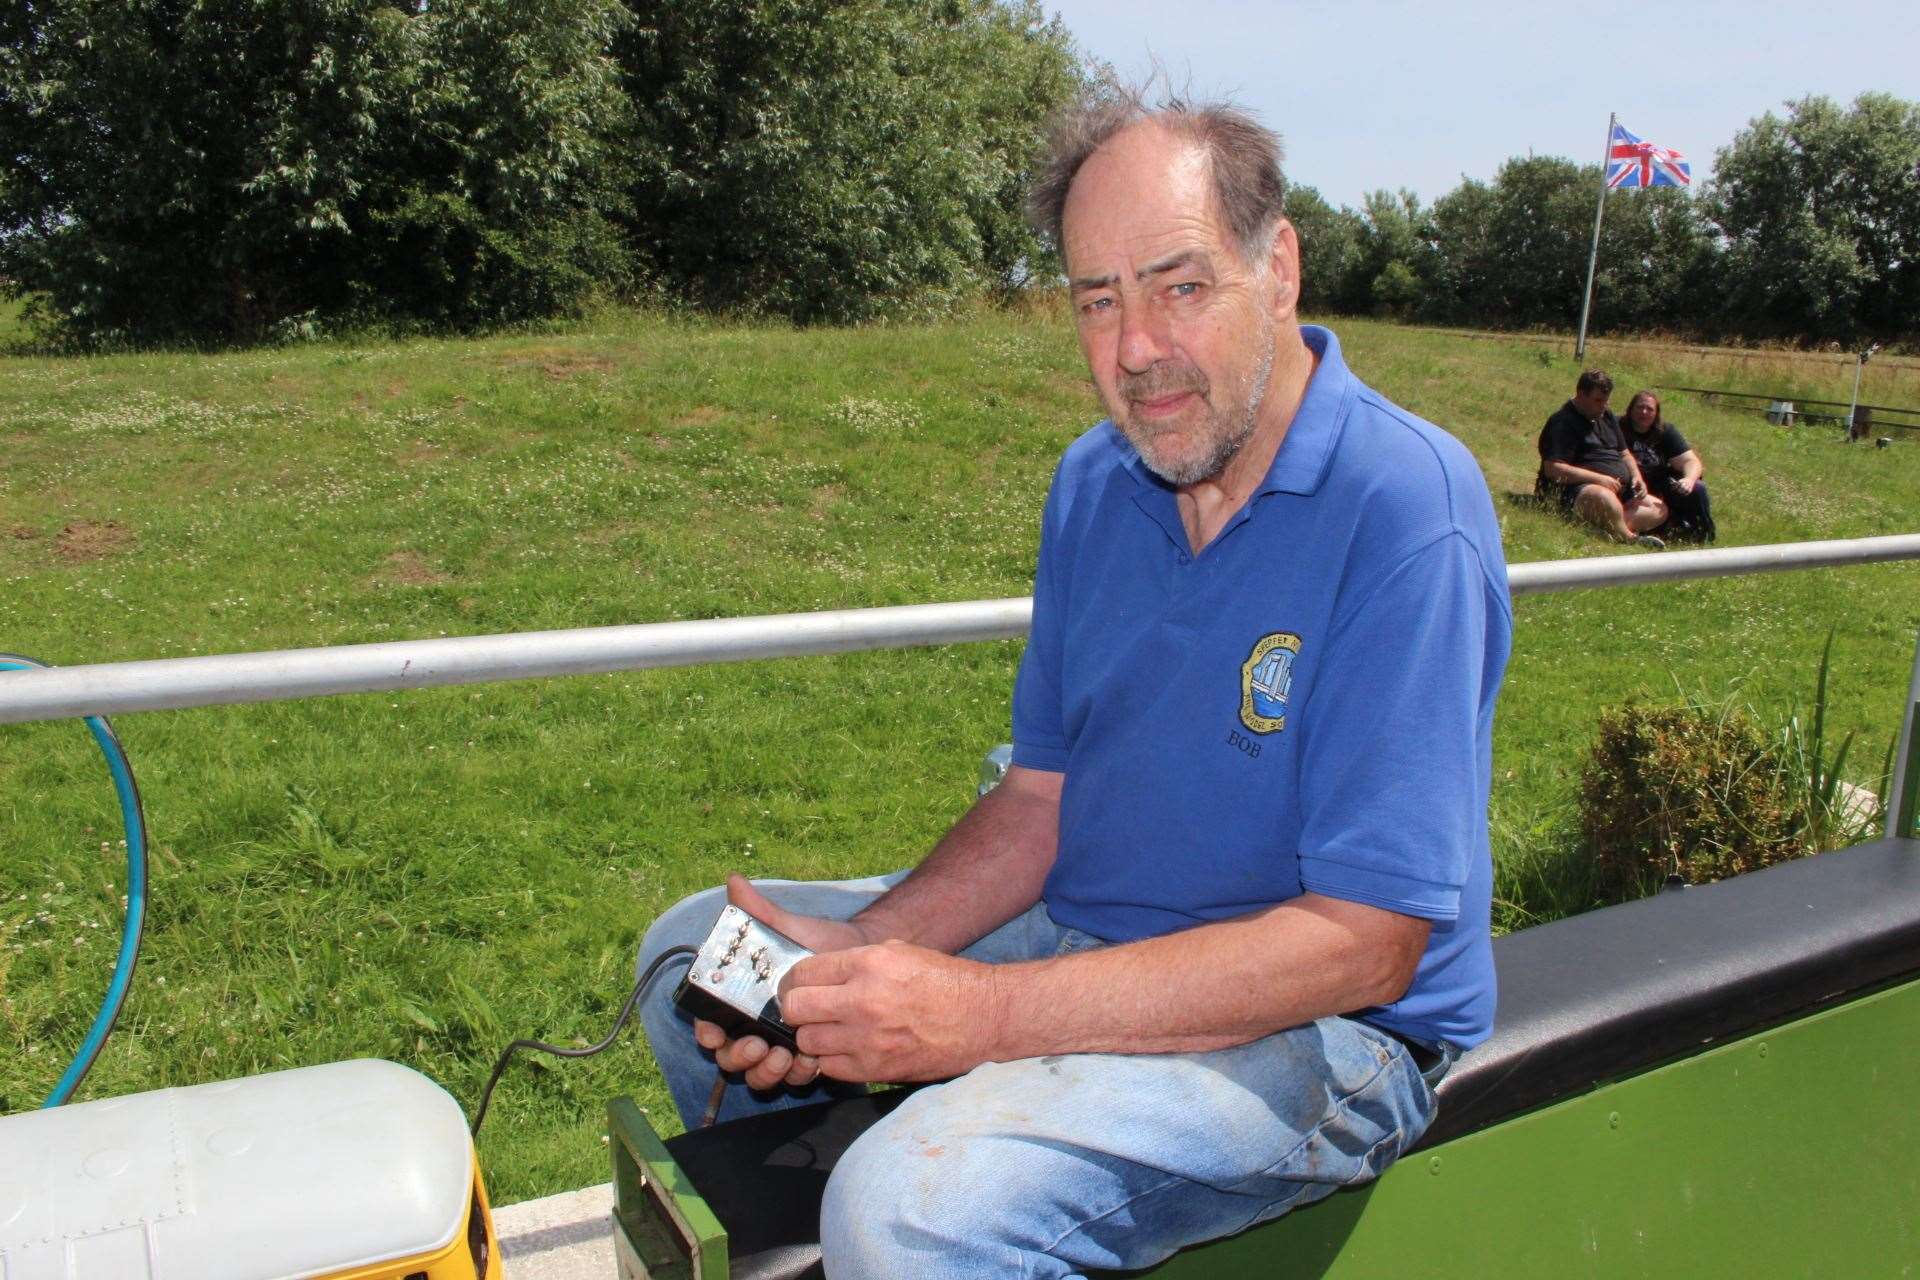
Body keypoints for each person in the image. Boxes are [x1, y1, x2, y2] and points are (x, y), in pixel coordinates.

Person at [637, 91, 1512, 1279]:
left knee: (904, 1212)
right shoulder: (1099, 483)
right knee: (697, 959)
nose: (1137, 346)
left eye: (1179, 285)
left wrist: (979, 1019)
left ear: (1281, 268)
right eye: (1098, 299)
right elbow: (1043, 799)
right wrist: (866, 949)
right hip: (1092, 924)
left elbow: (1367, 945)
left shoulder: (1406, 506)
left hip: (1334, 1034)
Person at [1537, 370, 1668, 548]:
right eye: (1598, 400)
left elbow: (1624, 453)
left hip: (1620, 491)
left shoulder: (1605, 416)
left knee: (1658, 508)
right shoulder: (1562, 422)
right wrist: (1598, 479)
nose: (1603, 406)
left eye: (1606, 401)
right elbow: (1553, 469)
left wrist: (1637, 477)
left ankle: (1607, 527)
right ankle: (1628, 538)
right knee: (1604, 499)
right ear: (1581, 394)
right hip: (1579, 491)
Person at [1621, 390, 1714, 543]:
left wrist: (1688, 480)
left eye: (1650, 409)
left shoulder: (1665, 432)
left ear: (1656, 413)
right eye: (1640, 407)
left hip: (1658, 485)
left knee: (1698, 488)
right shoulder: (1618, 428)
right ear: (1630, 409)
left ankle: (1701, 535)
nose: (1644, 412)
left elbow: (1691, 461)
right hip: (1628, 485)